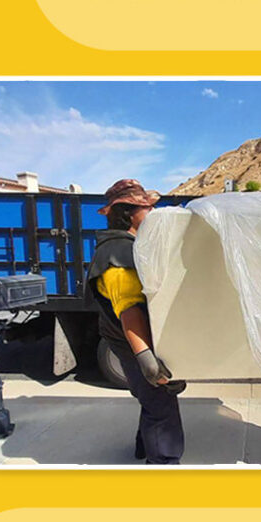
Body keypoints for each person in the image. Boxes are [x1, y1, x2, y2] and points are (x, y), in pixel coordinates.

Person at [85, 179, 186, 464]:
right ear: (129, 213)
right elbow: (129, 310)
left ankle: (144, 448)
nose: (152, 213)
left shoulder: (128, 245)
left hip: (126, 336)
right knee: (160, 404)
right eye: (147, 208)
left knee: (150, 398)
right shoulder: (118, 254)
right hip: (129, 339)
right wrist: (146, 358)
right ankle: (163, 463)